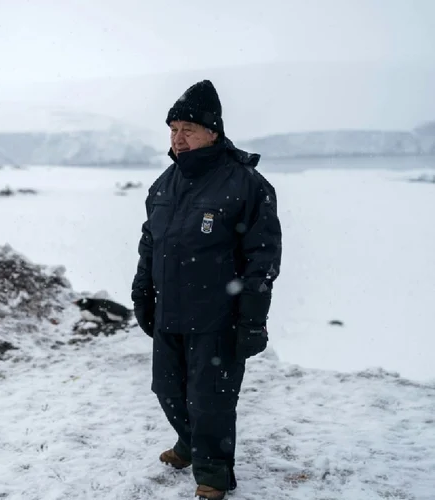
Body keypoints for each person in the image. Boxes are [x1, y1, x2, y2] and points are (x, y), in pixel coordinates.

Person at [131, 80, 282, 500]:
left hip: (217, 314)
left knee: (210, 399)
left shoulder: (246, 184)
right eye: (173, 130)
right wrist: (142, 290)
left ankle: (214, 471)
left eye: (188, 130)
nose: (178, 139)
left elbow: (263, 258)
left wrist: (253, 318)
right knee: (167, 388)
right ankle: (188, 443)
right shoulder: (165, 182)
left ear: (213, 131)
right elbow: (151, 241)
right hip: (170, 309)